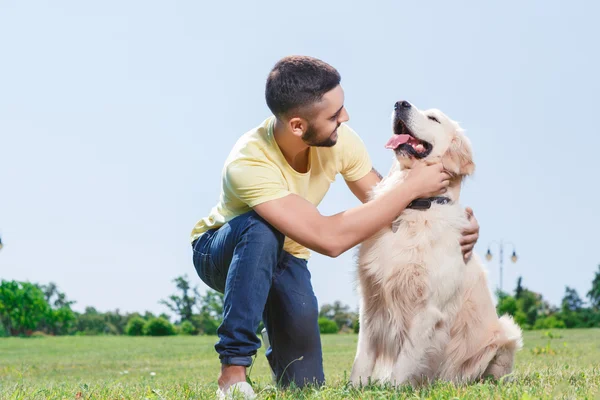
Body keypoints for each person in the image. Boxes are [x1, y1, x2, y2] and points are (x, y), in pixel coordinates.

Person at [191, 55, 480, 398]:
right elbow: (328, 240)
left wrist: (452, 221)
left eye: (341, 107)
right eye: (333, 115)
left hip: (288, 259)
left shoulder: (341, 140)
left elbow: (382, 201)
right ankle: (233, 371)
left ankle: (272, 315)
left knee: (305, 384)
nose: (345, 117)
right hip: (221, 251)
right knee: (260, 230)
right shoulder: (248, 162)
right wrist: (413, 187)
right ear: (298, 125)